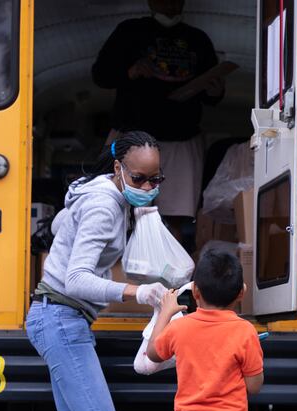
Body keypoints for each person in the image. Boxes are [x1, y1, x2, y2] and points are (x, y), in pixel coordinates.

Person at [26, 130, 170, 411]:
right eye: (139, 178)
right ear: (118, 168)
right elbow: (76, 280)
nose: (147, 187)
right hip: (61, 319)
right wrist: (137, 292)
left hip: (55, 317)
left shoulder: (97, 192)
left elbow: (58, 225)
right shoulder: (103, 206)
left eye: (155, 179)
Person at [91, 0, 226, 238]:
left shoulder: (198, 39)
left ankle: (169, 258)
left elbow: (212, 96)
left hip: (182, 136)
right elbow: (100, 75)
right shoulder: (129, 31)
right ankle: (123, 258)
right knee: (120, 208)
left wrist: (215, 91)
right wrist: (131, 72)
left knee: (175, 215)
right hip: (132, 134)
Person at [147, 250, 264, 411]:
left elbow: (152, 353)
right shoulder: (245, 331)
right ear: (241, 292)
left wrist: (165, 312)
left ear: (195, 291)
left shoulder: (179, 328)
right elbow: (254, 387)